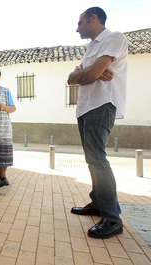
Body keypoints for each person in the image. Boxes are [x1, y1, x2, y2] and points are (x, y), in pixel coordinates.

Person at [68, 7, 128, 239]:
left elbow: (90, 75)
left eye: (80, 22)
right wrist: (88, 73)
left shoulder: (114, 38)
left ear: (94, 18)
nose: (77, 27)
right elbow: (72, 78)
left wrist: (89, 73)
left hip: (101, 106)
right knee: (92, 159)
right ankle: (98, 204)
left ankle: (112, 218)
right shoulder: (92, 48)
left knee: (98, 159)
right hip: (85, 107)